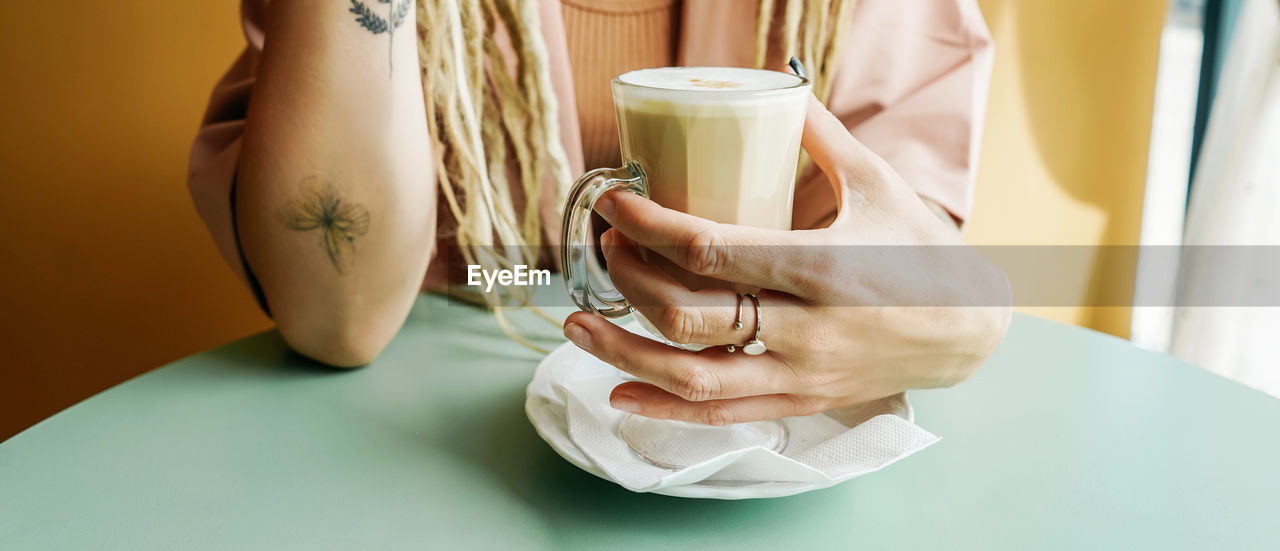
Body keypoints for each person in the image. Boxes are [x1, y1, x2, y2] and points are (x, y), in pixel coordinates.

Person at [188, 0, 1011, 425]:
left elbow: (914, 273)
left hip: (749, 456)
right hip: (421, 441)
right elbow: (337, 314)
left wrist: (968, 316)